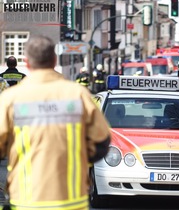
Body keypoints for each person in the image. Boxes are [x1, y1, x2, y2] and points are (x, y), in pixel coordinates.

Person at [0, 35, 111, 210]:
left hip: (26, 200)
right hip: (71, 199)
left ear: (27, 63)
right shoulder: (79, 95)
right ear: (54, 60)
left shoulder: (10, 99)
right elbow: (102, 142)